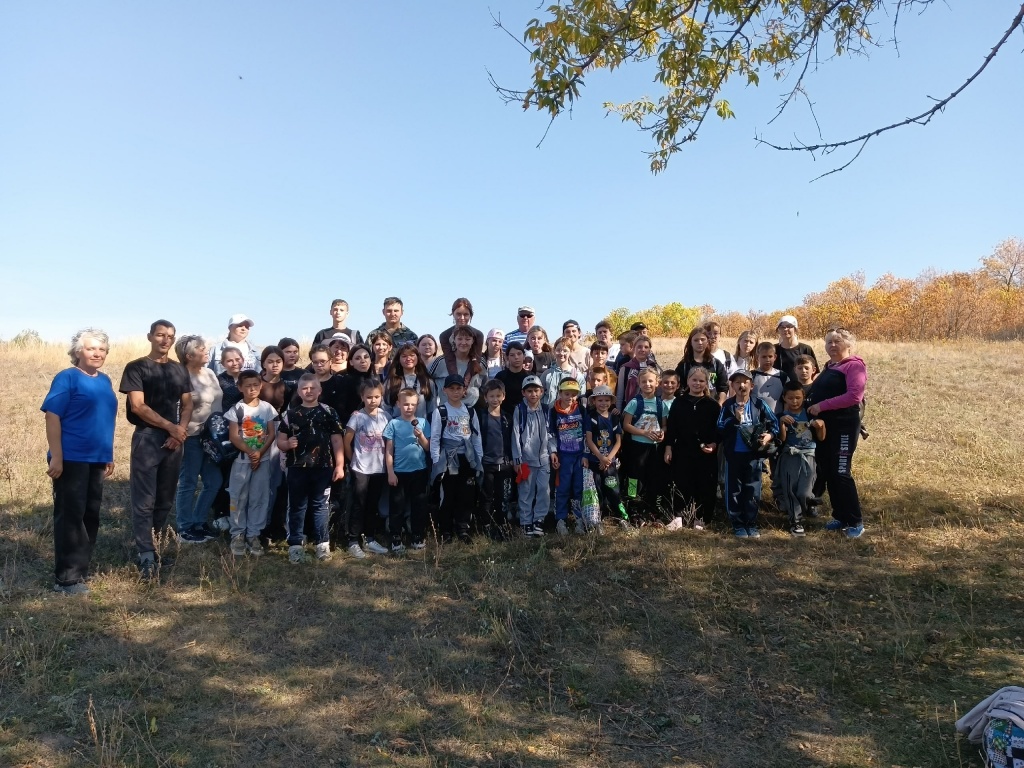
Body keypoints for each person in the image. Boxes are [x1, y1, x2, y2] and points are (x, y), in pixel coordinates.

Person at [41, 328, 118, 595]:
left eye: (102, 349)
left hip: (97, 458)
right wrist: (57, 456)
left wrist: (108, 455)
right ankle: (66, 579)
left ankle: (80, 571)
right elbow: (52, 416)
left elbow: (104, 419)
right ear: (78, 351)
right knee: (71, 517)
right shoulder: (67, 378)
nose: (97, 353)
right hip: (71, 457)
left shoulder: (105, 380)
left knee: (90, 516)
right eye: (91, 348)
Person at [119, 320, 193, 578]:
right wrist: (171, 428)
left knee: (165, 498)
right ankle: (146, 555)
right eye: (160, 335)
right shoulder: (136, 367)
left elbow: (188, 404)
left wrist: (179, 432)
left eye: (170, 336)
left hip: (174, 441)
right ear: (150, 336)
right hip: (148, 438)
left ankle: (156, 545)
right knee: (144, 500)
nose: (165, 340)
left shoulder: (179, 369)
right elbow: (138, 406)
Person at [278, 374, 346, 563]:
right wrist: (286, 444)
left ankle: (322, 544)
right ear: (299, 392)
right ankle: (295, 545)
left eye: (312, 388)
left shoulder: (329, 412)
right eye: (304, 388)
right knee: (296, 506)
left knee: (320, 506)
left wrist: (340, 465)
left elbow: (337, 440)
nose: (309, 391)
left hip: (323, 467)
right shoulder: (291, 414)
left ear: (320, 390)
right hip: (296, 467)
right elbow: (280, 440)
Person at [807, 328, 867, 538]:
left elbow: (854, 396)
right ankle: (840, 516)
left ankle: (855, 521)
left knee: (841, 472)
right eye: (829, 342)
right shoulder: (830, 366)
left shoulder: (854, 366)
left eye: (837, 341)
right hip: (826, 428)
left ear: (848, 344)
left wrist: (821, 406)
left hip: (843, 427)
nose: (832, 345)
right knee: (829, 471)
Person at [717, 369, 780, 538]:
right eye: (737, 382)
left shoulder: (759, 404)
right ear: (732, 385)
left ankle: (751, 523)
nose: (741, 385)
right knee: (734, 490)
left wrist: (769, 435)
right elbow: (720, 427)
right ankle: (737, 523)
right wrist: (734, 419)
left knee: (752, 489)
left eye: (745, 382)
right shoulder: (728, 405)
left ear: (752, 386)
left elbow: (774, 424)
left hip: (754, 455)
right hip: (734, 455)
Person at [174, 334, 223, 544]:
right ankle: (184, 528)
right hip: (191, 436)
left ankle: (199, 521)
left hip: (212, 438)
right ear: (189, 355)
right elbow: (176, 408)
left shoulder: (210, 373)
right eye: (202, 349)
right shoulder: (180, 377)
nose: (206, 351)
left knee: (214, 481)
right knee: (189, 481)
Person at [224, 369, 278, 556]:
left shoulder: (267, 408)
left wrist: (259, 454)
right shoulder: (236, 410)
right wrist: (251, 453)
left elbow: (271, 433)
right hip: (241, 462)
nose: (252, 389)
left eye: (256, 385)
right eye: (247, 386)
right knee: (238, 497)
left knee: (259, 497)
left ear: (261, 386)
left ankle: (253, 534)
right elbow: (234, 436)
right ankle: (237, 534)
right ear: (240, 387)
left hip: (262, 461)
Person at [663, 367, 720, 530]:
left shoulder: (712, 405)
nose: (697, 383)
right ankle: (678, 516)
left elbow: (718, 430)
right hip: (682, 450)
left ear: (706, 383)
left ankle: (700, 518)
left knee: (704, 485)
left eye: (701, 380)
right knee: (681, 482)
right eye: (694, 380)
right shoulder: (679, 402)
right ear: (687, 381)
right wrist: (668, 447)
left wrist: (714, 444)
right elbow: (672, 427)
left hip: (705, 453)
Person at [429, 375, 483, 543]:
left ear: (464, 390)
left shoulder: (470, 411)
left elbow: (476, 436)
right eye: (451, 388)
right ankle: (446, 531)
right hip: (448, 459)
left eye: (458, 388)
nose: (455, 392)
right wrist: (436, 462)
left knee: (465, 494)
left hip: (467, 458)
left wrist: (478, 458)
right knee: (448, 494)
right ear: (444, 390)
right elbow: (435, 438)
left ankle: (463, 529)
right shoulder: (440, 411)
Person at [344, 379, 392, 558]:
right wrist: (353, 461)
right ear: (362, 397)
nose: (373, 400)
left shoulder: (386, 416)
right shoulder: (357, 417)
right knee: (359, 504)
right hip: (361, 468)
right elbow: (347, 441)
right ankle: (353, 541)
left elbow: (389, 441)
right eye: (369, 397)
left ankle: (370, 539)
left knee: (373, 504)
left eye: (377, 397)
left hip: (379, 468)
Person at [384, 387, 431, 552]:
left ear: (417, 405)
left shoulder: (423, 423)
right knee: (397, 507)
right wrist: (390, 472)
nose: (409, 407)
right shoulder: (393, 424)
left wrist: (421, 436)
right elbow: (389, 450)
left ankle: (417, 535)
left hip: (419, 471)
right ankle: (396, 537)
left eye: (412, 404)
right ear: (398, 404)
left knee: (419, 505)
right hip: (399, 472)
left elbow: (428, 447)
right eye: (405, 404)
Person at [777, 381, 826, 537]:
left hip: (809, 456)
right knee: (790, 490)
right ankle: (795, 521)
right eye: (790, 398)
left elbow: (821, 438)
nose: (794, 401)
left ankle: (809, 501)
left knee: (804, 491)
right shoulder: (782, 416)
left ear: (804, 397)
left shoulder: (810, 413)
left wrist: (821, 425)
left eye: (798, 398)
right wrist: (781, 423)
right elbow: (781, 439)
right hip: (790, 455)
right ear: (784, 398)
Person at [621, 367, 666, 517]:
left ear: (657, 383)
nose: (647, 384)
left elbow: (664, 425)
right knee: (634, 476)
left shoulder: (660, 404)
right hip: (637, 447)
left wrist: (662, 433)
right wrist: (644, 433)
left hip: (654, 448)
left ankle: (650, 508)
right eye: (644, 381)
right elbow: (626, 425)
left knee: (653, 476)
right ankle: (632, 505)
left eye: (651, 381)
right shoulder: (635, 402)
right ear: (638, 383)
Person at [512, 375, 551, 536]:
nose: (533, 394)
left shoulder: (547, 410)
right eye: (529, 391)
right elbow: (515, 435)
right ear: (523, 393)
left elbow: (551, 434)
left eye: (536, 390)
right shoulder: (520, 410)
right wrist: (517, 459)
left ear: (542, 391)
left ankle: (539, 520)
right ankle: (526, 522)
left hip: (544, 459)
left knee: (543, 490)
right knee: (526, 491)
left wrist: (553, 452)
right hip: (526, 460)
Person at [477, 380, 515, 541]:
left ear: (504, 396)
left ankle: (502, 525)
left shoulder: (507, 417)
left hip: (505, 465)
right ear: (485, 397)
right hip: (487, 464)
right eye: (491, 396)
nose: (495, 399)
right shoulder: (480, 416)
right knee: (486, 496)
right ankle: (486, 525)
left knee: (503, 497)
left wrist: (512, 460)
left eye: (498, 396)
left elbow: (513, 440)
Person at [549, 378, 588, 535]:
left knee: (578, 488)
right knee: (563, 488)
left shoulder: (581, 409)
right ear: (560, 393)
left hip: (579, 455)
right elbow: (551, 434)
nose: (570, 397)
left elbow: (587, 434)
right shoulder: (553, 411)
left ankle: (579, 519)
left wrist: (586, 454)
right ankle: (561, 519)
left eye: (573, 394)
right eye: (566, 394)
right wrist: (553, 452)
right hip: (563, 456)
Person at [583, 384, 625, 521]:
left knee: (613, 489)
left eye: (607, 400)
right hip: (595, 461)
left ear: (611, 401)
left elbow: (618, 441)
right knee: (597, 489)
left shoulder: (614, 418)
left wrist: (608, 459)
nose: (603, 403)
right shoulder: (591, 417)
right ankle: (597, 518)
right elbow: (589, 440)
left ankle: (621, 516)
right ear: (594, 401)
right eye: (600, 400)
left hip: (610, 462)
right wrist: (601, 457)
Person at [428, 325, 487, 409]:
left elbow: (484, 385)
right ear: (454, 340)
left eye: (467, 339)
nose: (463, 342)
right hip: (446, 410)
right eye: (459, 339)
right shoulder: (440, 361)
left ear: (472, 341)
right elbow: (425, 380)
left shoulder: (480, 362)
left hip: (472, 409)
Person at [674, 326, 728, 404]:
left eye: (702, 339)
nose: (700, 342)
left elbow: (723, 388)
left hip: (711, 406)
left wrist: (719, 405)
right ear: (691, 342)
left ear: (707, 341)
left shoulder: (716, 364)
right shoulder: (684, 365)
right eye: (696, 340)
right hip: (689, 407)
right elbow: (678, 389)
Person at [385, 343, 433, 420]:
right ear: (399, 359)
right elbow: (386, 408)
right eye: (404, 356)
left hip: (420, 425)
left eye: (412, 355)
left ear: (418, 358)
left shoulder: (427, 381)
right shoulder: (391, 381)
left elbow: (432, 409)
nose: (408, 358)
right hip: (397, 425)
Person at [438, 298, 485, 375]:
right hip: (449, 372)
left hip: (472, 373)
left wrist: (467, 378)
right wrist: (456, 379)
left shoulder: (478, 335)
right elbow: (449, 359)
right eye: (458, 314)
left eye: (466, 314)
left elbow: (476, 359)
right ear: (453, 314)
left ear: (470, 315)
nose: (462, 318)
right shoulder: (445, 335)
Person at [541, 337, 586, 407]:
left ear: (570, 352)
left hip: (569, 412)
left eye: (565, 351)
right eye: (558, 350)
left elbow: (581, 396)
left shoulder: (577, 375)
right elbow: (540, 394)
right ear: (554, 351)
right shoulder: (547, 374)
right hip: (548, 412)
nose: (561, 353)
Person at [615, 334, 656, 410]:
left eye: (646, 347)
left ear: (649, 350)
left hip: (650, 408)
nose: (643, 349)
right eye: (639, 347)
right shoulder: (625, 368)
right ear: (634, 348)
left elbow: (658, 390)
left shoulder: (654, 367)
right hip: (629, 409)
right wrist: (619, 411)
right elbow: (620, 393)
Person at [774, 315, 818, 380]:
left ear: (795, 329)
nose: (785, 329)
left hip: (801, 386)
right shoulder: (773, 349)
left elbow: (815, 374)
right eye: (782, 327)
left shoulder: (806, 349)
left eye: (789, 326)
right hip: (778, 386)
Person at [750, 341, 786, 414]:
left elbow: (788, 399)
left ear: (775, 357)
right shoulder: (751, 375)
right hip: (756, 417)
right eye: (764, 357)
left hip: (777, 417)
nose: (767, 360)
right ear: (757, 357)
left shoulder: (782, 376)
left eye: (770, 356)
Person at [495, 342, 529, 414]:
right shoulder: (500, 377)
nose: (516, 357)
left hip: (526, 415)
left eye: (519, 354)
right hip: (504, 415)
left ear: (524, 356)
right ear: (507, 357)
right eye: (512, 355)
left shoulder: (530, 377)